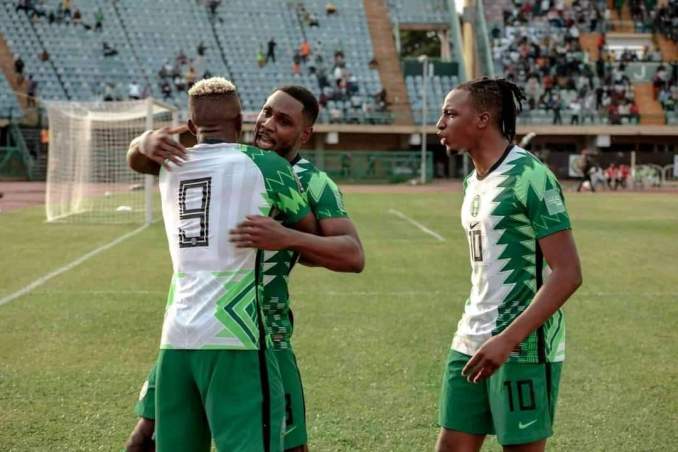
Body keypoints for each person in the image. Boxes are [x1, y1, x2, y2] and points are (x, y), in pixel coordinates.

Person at [124, 86, 365, 452]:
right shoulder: (227, 157)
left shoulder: (312, 181)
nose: (267, 124)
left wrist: (288, 238)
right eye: (266, 112)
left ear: (304, 135)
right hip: (191, 328)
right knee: (145, 437)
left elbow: (351, 255)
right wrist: (142, 143)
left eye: (283, 121)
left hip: (264, 336)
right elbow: (147, 159)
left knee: (286, 445)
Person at [434, 77, 582, 452]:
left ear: (483, 119)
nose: (440, 124)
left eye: (450, 114)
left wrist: (508, 340)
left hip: (523, 346)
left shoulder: (530, 176)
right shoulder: (471, 183)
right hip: (470, 338)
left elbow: (568, 273)